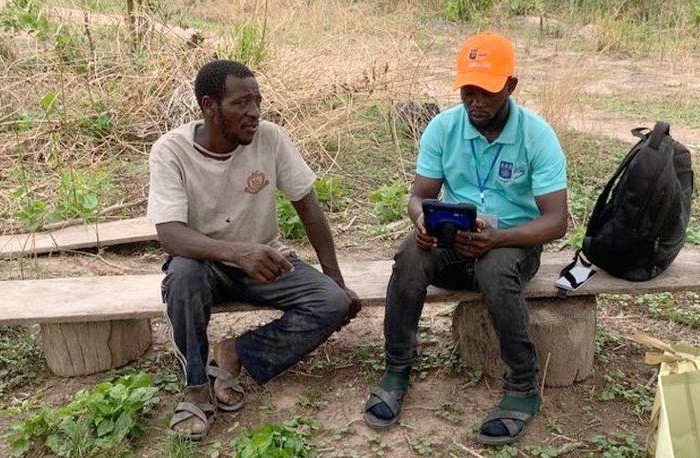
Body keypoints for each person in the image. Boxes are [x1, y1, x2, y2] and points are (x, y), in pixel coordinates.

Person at [363, 32, 569, 445]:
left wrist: (499, 238)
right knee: (409, 254)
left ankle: (522, 386)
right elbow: (419, 196)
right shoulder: (444, 128)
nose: (476, 100)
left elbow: (557, 221)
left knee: (494, 268)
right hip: (455, 241)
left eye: (487, 91)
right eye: (468, 90)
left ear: (511, 85)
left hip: (514, 244)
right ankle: (397, 369)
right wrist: (422, 220)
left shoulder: (537, 136)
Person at [149, 59, 361, 440]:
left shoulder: (270, 138)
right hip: (204, 265)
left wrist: (337, 281)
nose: (254, 113)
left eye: (258, 102)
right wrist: (234, 253)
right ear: (209, 105)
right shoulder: (172, 151)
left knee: (331, 303)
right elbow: (170, 236)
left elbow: (309, 208)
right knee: (181, 274)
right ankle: (195, 388)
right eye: (242, 104)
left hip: (264, 261)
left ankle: (235, 355)